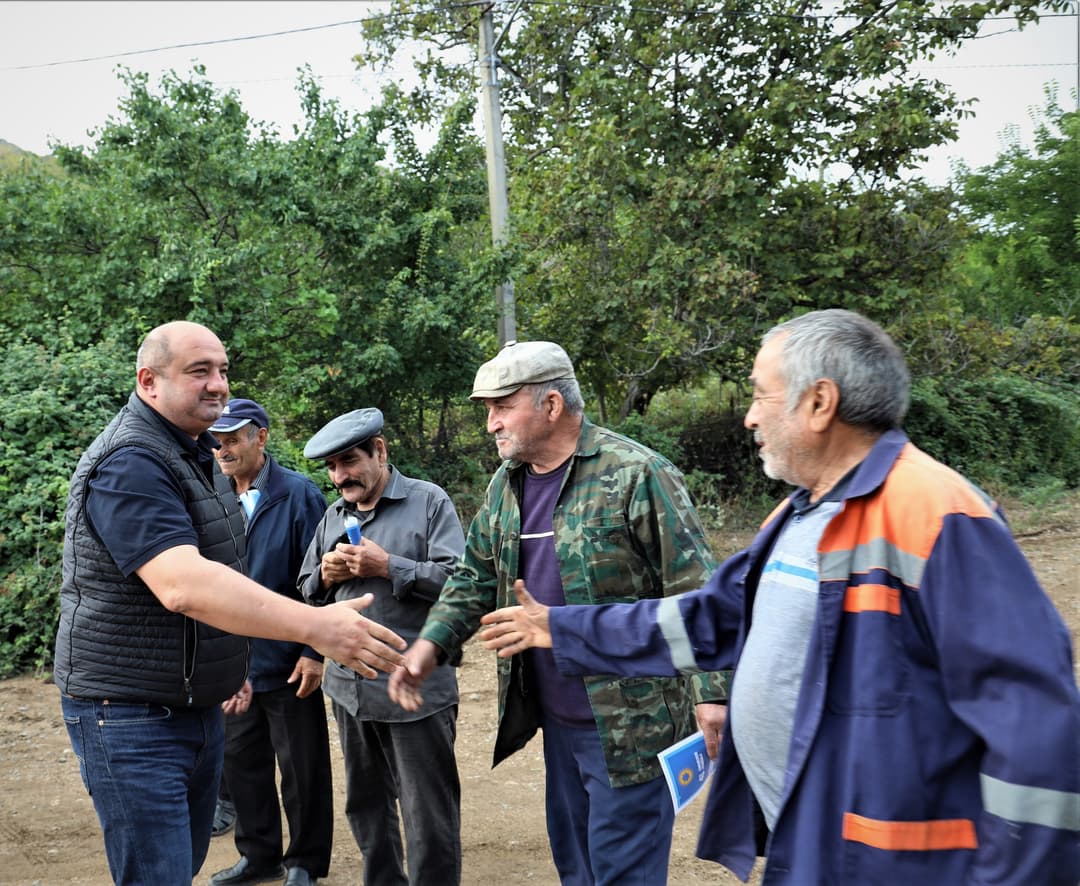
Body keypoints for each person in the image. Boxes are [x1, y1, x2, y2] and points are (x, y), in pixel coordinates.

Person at [478, 310, 1080, 885]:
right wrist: (562, 628)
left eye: (760, 395)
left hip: (901, 860)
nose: (748, 417)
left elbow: (1038, 737)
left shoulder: (940, 516)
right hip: (817, 841)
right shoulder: (798, 517)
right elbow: (709, 620)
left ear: (819, 403)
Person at [53, 321, 406, 886]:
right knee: (160, 875)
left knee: (184, 862)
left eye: (222, 370)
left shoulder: (190, 455)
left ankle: (300, 862)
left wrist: (233, 663)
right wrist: (319, 628)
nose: (218, 384)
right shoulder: (131, 462)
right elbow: (184, 584)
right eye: (199, 372)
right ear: (148, 381)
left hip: (193, 702)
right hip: (130, 716)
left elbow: (229, 576)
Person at [388, 340, 728, 886]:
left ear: (550, 405)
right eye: (488, 411)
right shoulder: (508, 485)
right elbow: (475, 575)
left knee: (623, 874)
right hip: (556, 721)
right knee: (577, 869)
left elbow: (697, 589)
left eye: (502, 407)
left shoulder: (637, 474)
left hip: (631, 728)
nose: (491, 424)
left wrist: (713, 693)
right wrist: (429, 645)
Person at [297, 407, 467, 886]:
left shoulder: (428, 501)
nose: (339, 476)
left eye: (349, 461)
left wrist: (389, 565)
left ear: (380, 450)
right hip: (350, 689)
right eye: (331, 468)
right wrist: (322, 578)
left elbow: (462, 582)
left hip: (414, 688)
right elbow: (306, 586)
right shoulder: (333, 515)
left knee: (427, 812)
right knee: (366, 807)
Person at [206, 399, 334, 886]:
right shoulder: (212, 495)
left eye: (234, 437)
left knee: (302, 769)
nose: (223, 448)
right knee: (243, 765)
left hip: (289, 659)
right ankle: (259, 857)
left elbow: (324, 578)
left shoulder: (298, 494)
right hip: (233, 664)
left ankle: (305, 862)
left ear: (260, 437)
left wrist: (314, 650)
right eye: (217, 440)